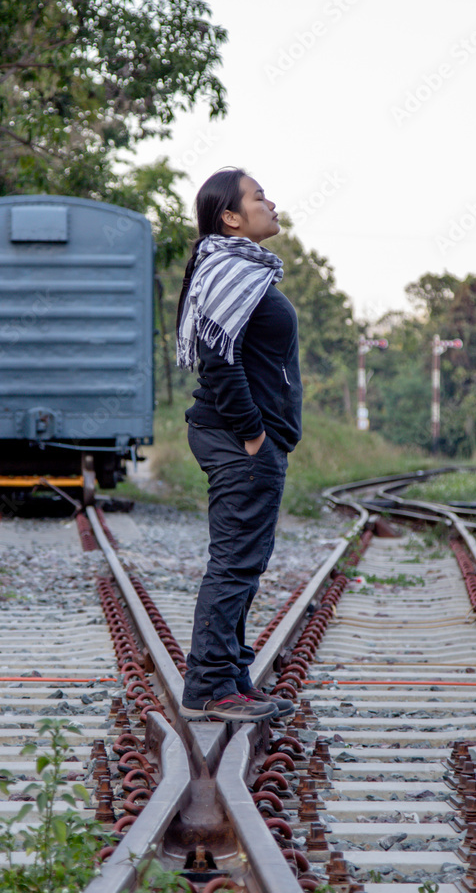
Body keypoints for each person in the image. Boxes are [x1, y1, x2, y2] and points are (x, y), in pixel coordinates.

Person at [175, 168, 302, 722]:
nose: (271, 203)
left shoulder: (238, 270)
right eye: (258, 197)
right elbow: (219, 361)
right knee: (233, 564)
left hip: (241, 438)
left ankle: (231, 675)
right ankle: (208, 687)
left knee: (245, 564)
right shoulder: (230, 269)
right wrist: (254, 434)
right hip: (237, 438)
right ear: (230, 216)